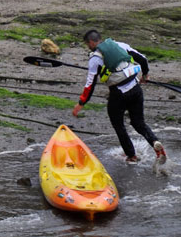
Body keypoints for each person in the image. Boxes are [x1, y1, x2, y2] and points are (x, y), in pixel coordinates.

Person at [71, 29, 167, 165]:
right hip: (136, 89)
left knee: (118, 125)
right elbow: (142, 59)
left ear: (91, 42)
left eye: (87, 44)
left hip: (118, 95)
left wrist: (81, 103)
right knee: (138, 122)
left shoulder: (95, 58)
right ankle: (154, 142)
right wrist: (145, 75)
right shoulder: (120, 45)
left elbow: (90, 84)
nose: (88, 47)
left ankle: (131, 155)